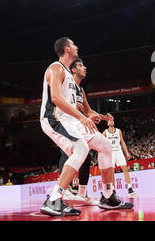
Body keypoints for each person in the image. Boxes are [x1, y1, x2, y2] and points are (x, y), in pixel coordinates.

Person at [39, 37, 132, 216]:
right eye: (73, 44)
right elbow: (56, 98)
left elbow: (78, 108)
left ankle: (107, 196)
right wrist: (82, 117)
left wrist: (91, 116)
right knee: (80, 148)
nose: (77, 46)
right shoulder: (55, 68)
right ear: (67, 49)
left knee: (105, 145)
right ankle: (53, 199)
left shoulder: (73, 81)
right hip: (54, 118)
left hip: (71, 120)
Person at [59, 58, 112, 206]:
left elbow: (88, 111)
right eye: (81, 66)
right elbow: (57, 102)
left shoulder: (80, 90)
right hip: (65, 124)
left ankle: (82, 194)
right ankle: (64, 190)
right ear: (73, 70)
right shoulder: (65, 85)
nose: (85, 68)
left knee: (86, 157)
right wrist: (71, 107)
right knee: (68, 152)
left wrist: (103, 117)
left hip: (79, 124)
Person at [103, 119, 136, 197]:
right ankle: (113, 189)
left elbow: (122, 141)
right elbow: (101, 142)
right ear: (107, 123)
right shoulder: (105, 132)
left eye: (112, 120)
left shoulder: (118, 131)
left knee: (125, 169)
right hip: (110, 153)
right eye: (110, 121)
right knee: (112, 171)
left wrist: (127, 152)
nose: (112, 122)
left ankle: (129, 188)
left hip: (119, 151)